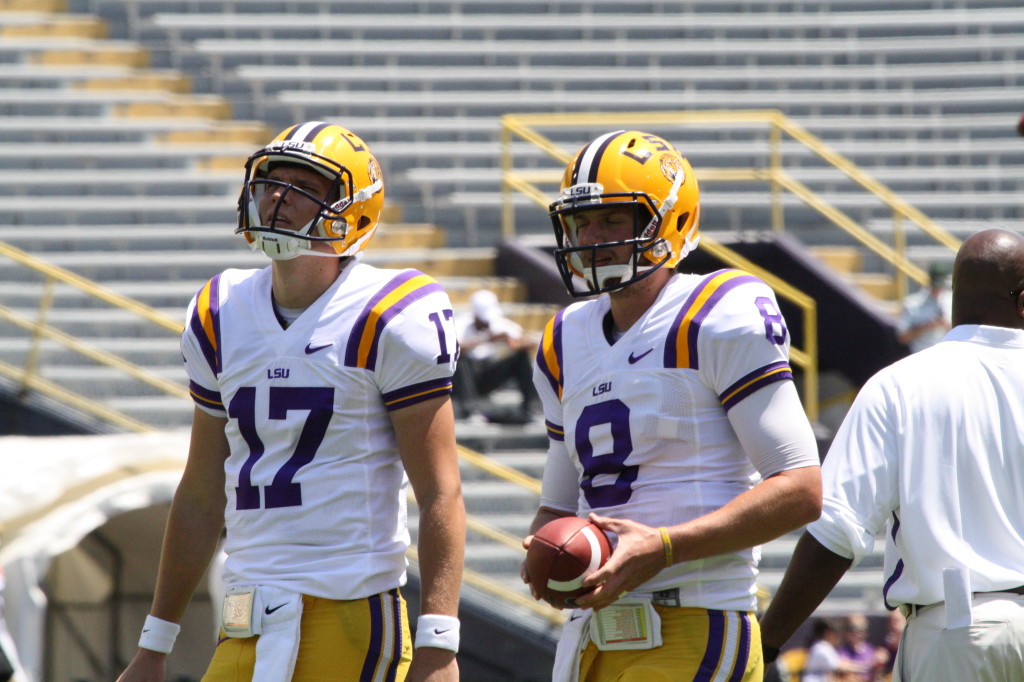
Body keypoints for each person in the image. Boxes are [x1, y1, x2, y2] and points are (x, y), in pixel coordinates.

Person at [117, 122, 465, 682]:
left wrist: (440, 640)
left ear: (354, 211)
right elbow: (201, 493)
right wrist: (154, 645)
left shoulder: (390, 313)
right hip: (244, 617)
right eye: (272, 182)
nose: (279, 198)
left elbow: (440, 490)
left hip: (349, 612)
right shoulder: (220, 310)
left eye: (305, 187)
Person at [518, 130, 823, 681]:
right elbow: (558, 506)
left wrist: (663, 548)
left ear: (669, 221)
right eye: (581, 222)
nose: (592, 238)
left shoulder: (717, 311)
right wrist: (546, 549)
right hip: (589, 635)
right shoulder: (563, 338)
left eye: (613, 220)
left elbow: (801, 489)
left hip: (695, 619)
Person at [759, 228, 1024, 681]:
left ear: (956, 298)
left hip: (957, 632)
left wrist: (765, 645)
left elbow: (836, 533)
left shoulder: (899, 384)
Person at [451, 288, 539, 424]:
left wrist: (512, 342)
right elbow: (453, 349)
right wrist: (486, 338)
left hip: (488, 375)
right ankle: (471, 411)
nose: (486, 323)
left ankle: (531, 409)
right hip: (463, 378)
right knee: (459, 359)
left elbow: (530, 342)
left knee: (522, 357)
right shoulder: (461, 324)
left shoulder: (500, 324)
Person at [896, 260, 952, 353]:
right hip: (921, 353)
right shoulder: (913, 303)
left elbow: (965, 335)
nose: (937, 291)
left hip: (947, 355)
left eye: (939, 287)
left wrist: (946, 325)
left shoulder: (951, 301)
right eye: (935, 287)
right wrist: (925, 326)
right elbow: (902, 337)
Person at [836, 613, 879, 681]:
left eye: (862, 629)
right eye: (853, 629)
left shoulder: (870, 650)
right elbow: (840, 666)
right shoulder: (843, 650)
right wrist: (865, 667)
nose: (857, 633)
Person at [802, 618, 843, 682]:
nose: (837, 637)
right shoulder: (820, 648)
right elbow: (838, 666)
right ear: (828, 633)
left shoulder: (825, 647)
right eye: (835, 634)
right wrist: (859, 667)